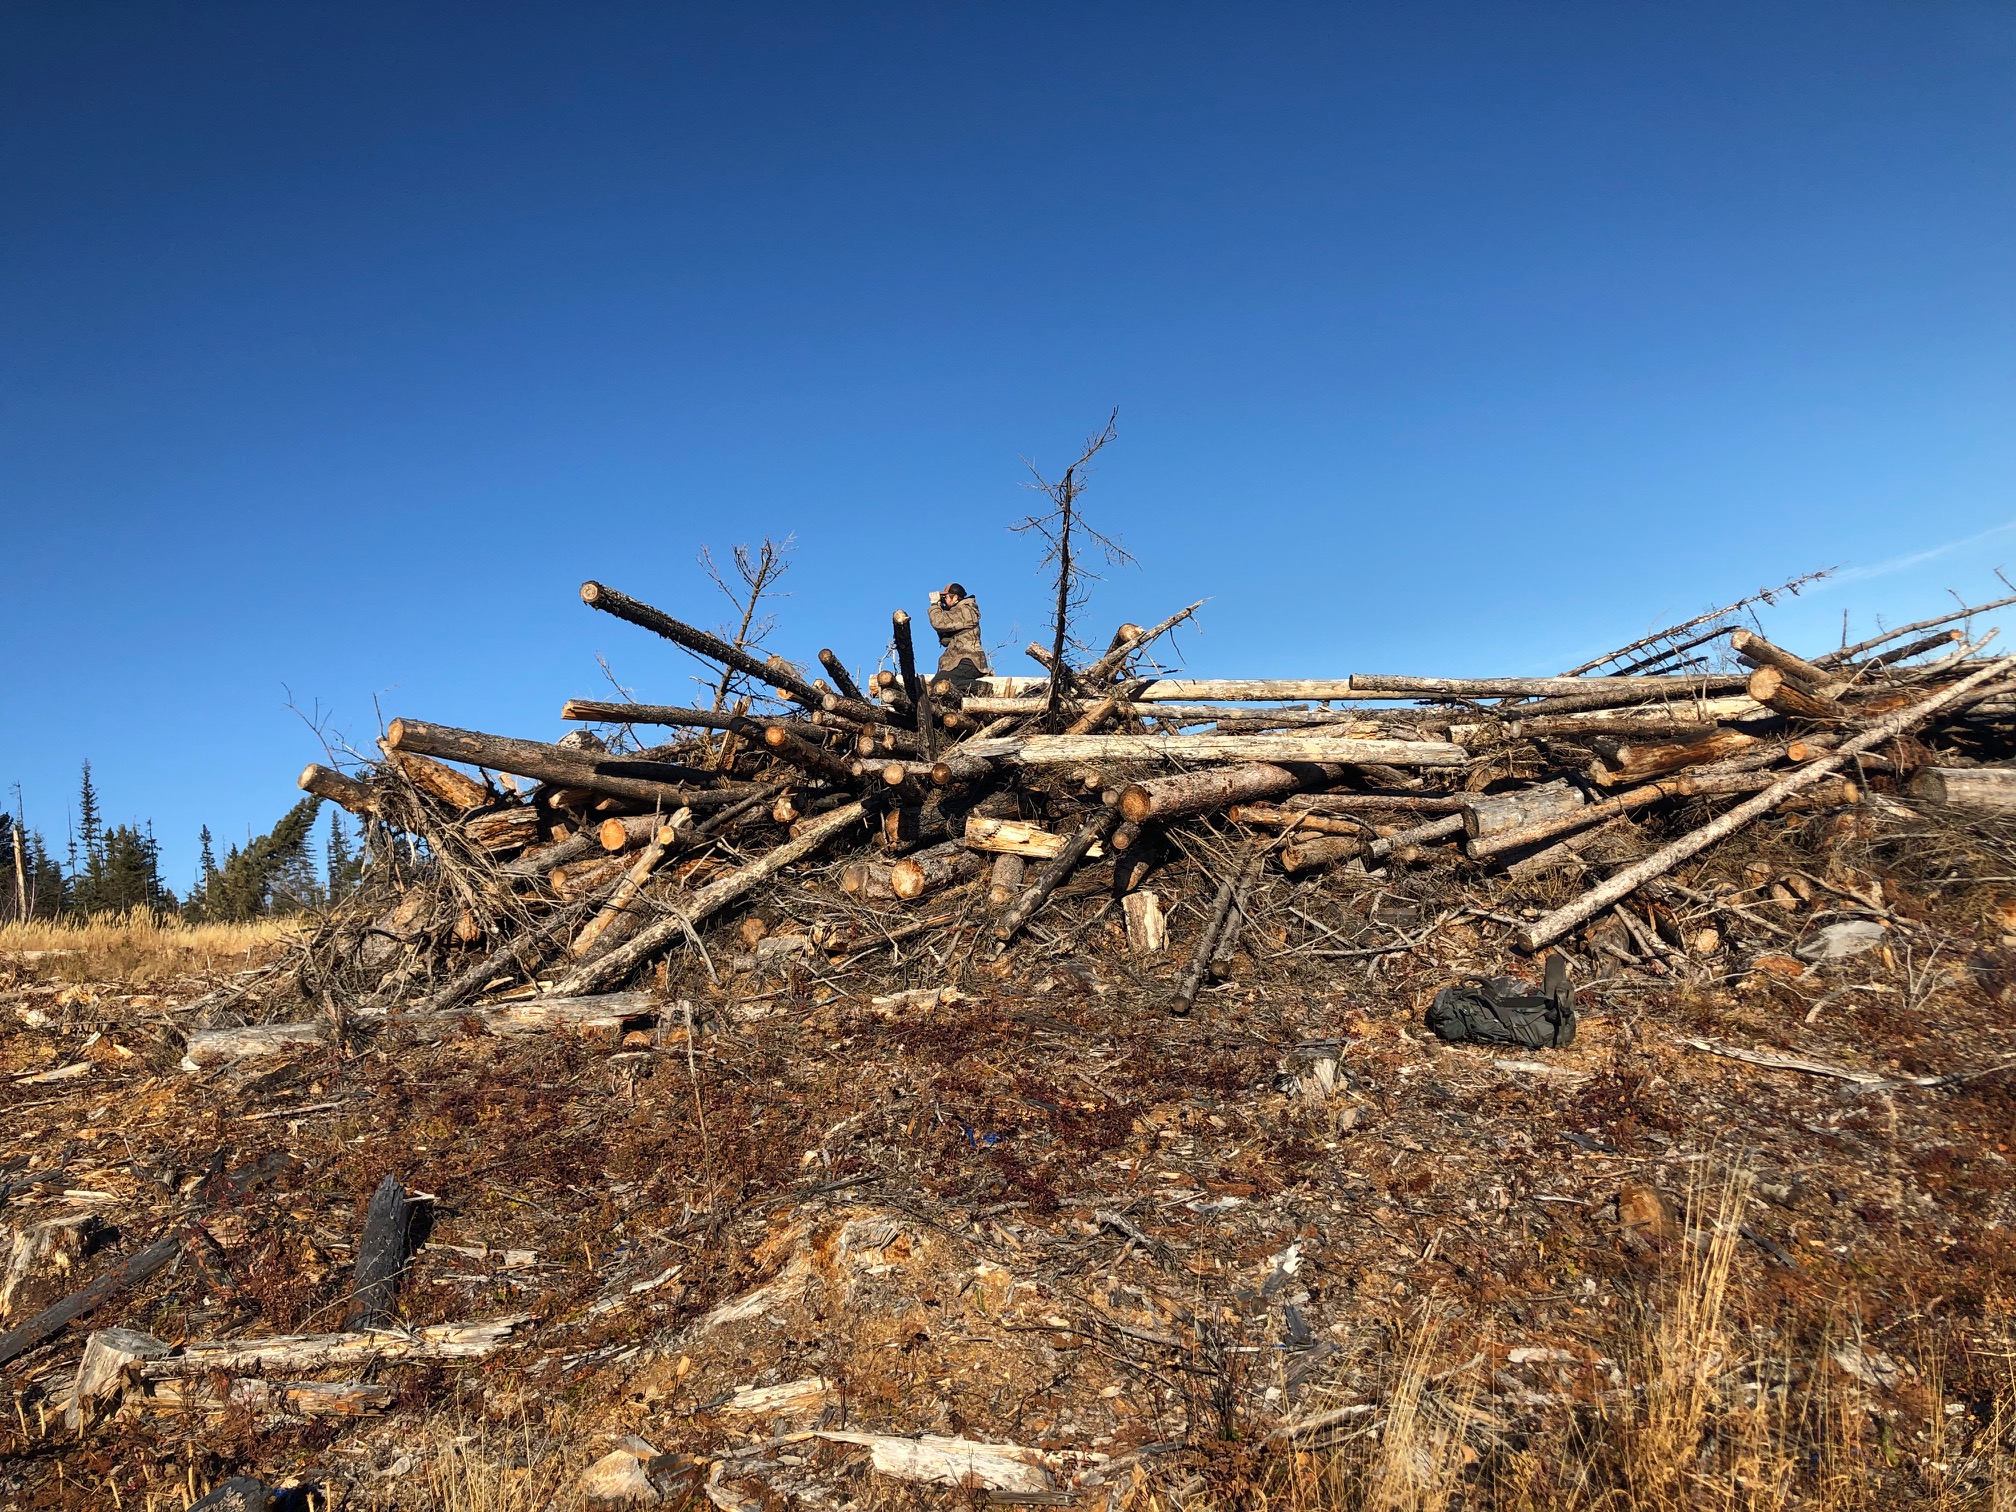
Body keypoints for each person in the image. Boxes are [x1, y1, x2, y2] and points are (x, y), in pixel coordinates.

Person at [927, 582, 991, 689]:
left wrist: (934, 605)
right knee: (940, 682)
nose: (944, 600)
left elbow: (938, 621)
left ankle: (981, 688)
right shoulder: (957, 612)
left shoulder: (966, 611)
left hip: (969, 660)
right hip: (960, 661)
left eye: (946, 597)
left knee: (939, 682)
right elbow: (945, 639)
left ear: (955, 597)